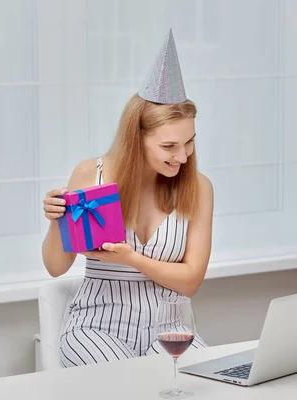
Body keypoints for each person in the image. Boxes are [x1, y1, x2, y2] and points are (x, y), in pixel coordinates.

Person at [41, 30, 214, 367]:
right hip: (97, 326)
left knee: (204, 386)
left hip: (170, 329)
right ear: (137, 138)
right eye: (169, 146)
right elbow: (55, 267)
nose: (182, 156)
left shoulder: (199, 187)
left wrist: (131, 258)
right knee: (130, 385)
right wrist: (56, 222)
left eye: (189, 142)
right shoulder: (92, 174)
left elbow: (191, 280)